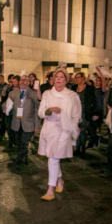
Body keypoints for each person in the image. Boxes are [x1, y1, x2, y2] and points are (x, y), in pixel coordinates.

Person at [38, 69, 81, 201]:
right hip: (49, 129)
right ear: (53, 79)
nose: (58, 79)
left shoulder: (73, 96)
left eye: (62, 77)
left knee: (54, 158)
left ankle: (50, 189)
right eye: (57, 76)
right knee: (53, 157)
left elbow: (76, 116)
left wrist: (73, 135)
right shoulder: (47, 93)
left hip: (64, 130)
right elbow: (40, 113)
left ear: (66, 80)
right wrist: (49, 110)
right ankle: (60, 179)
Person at [6, 75, 40, 166]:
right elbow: (7, 104)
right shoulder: (12, 93)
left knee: (24, 142)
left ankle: (19, 160)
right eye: (21, 80)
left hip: (29, 123)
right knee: (18, 142)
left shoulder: (33, 93)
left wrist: (37, 125)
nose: (23, 82)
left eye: (26, 80)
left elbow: (37, 109)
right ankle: (24, 157)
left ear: (29, 82)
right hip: (16, 123)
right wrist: (4, 107)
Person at [73, 72, 96, 156]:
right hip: (75, 112)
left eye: (78, 77)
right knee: (76, 130)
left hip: (85, 112)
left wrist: (95, 113)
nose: (76, 79)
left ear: (83, 78)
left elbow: (94, 101)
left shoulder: (89, 88)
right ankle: (77, 147)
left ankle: (81, 148)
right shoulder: (73, 88)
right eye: (75, 78)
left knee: (82, 131)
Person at [0, 74, 9, 142]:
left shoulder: (7, 86)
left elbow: (7, 96)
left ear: (3, 79)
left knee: (3, 121)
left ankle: (1, 134)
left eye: (0, 79)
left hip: (3, 105)